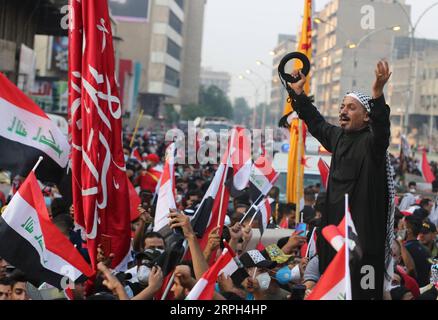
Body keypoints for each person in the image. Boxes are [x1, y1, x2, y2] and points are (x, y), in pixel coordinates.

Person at [287, 60, 393, 299]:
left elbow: (382, 130)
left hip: (364, 243)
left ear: (367, 117)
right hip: (335, 238)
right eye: (342, 106)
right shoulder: (337, 137)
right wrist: (298, 93)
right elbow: (315, 122)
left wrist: (377, 93)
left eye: (351, 108)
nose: (343, 111)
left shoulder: (372, 144)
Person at [402, 215, 432, 287]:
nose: (400, 230)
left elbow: (410, 269)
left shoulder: (404, 249)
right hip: (423, 291)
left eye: (403, 227)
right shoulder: (426, 250)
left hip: (410, 291)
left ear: (409, 230)